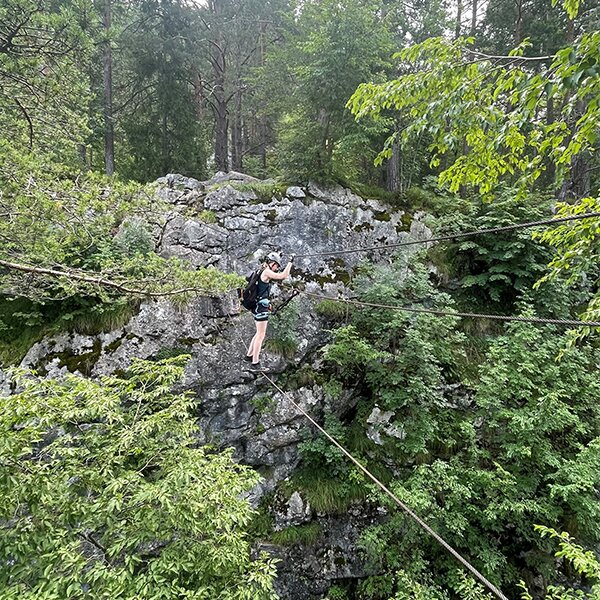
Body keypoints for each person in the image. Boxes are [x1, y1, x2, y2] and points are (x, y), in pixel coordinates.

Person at [245, 251, 293, 371]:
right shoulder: (266, 272)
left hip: (258, 305)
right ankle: (255, 363)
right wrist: (290, 262)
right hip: (261, 307)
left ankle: (249, 356)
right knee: (261, 335)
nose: (277, 268)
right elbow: (283, 276)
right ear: (272, 263)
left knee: (258, 333)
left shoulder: (261, 270)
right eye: (276, 265)